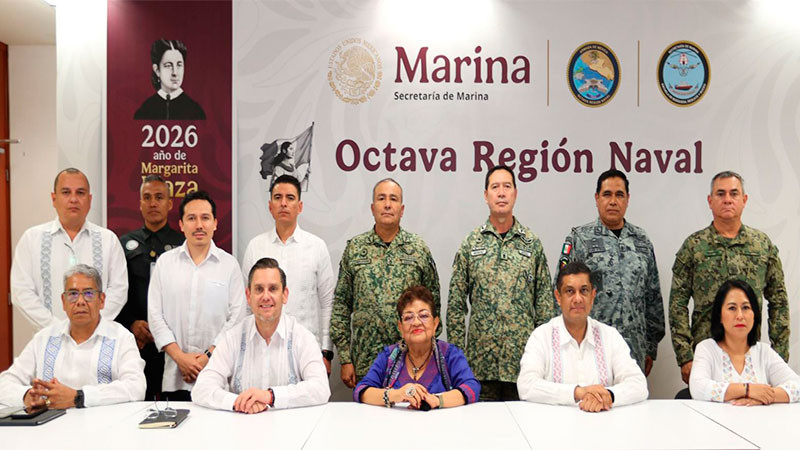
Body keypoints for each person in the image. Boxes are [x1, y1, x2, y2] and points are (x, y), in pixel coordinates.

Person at [670, 171, 790, 385]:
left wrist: (778, 356)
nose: (727, 199)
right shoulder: (694, 246)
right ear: (710, 201)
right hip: (706, 355)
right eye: (721, 194)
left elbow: (779, 301)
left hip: (749, 355)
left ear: (744, 200)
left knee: (751, 402)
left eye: (734, 194)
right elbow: (677, 304)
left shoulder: (762, 245)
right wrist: (685, 356)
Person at [447, 165, 554, 401]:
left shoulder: (531, 243)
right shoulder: (471, 243)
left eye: (507, 186)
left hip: (524, 367)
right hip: (480, 368)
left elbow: (545, 305)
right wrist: (457, 360)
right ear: (486, 195)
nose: (502, 193)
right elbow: (455, 306)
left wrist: (543, 357)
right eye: (495, 187)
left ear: (515, 193)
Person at [330, 178, 440, 388]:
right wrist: (345, 358)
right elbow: (341, 305)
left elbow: (433, 304)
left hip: (412, 362)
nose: (388, 204)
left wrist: (428, 357)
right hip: (366, 362)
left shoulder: (418, 249)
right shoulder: (355, 249)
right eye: (381, 199)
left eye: (393, 199)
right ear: (373, 208)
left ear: (402, 209)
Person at [556, 169, 664, 374]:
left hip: (634, 348)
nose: (613, 201)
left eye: (619, 195)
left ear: (628, 199)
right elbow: (561, 295)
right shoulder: (580, 239)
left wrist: (650, 347)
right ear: (597, 198)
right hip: (590, 348)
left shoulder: (641, 241)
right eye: (607, 194)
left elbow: (653, 298)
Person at [192, 258, 330, 412]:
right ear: (248, 295)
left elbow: (321, 388)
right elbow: (201, 389)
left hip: (290, 425)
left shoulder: (303, 338)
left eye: (273, 289)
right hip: (243, 423)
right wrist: (240, 402)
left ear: (284, 295)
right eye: (259, 289)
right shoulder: (232, 338)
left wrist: (270, 396)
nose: (265, 296)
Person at [0, 264, 145, 408]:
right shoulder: (43, 339)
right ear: (63, 302)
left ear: (101, 300)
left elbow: (136, 387)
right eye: (73, 294)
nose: (80, 302)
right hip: (52, 422)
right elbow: (4, 384)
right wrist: (28, 396)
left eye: (88, 294)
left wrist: (79, 397)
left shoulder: (121, 337)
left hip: (103, 421)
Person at [148, 191, 246, 401]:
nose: (199, 225)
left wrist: (207, 357)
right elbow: (155, 315)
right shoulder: (165, 264)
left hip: (218, 375)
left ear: (215, 223)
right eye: (191, 218)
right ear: (181, 224)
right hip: (175, 376)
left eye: (205, 218)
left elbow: (237, 319)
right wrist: (180, 358)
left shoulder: (229, 266)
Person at [517, 262, 648, 412]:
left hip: (603, 423)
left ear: (593, 295)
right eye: (570, 291)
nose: (578, 299)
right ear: (558, 297)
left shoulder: (610, 336)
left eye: (584, 290)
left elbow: (638, 384)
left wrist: (608, 396)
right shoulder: (541, 337)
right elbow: (526, 385)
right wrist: (578, 392)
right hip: (555, 424)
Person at [11, 168, 128, 329]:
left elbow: (119, 289)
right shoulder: (32, 239)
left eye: (80, 193)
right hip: (48, 338)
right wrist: (56, 328)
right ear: (54, 199)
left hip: (98, 336)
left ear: (89, 199)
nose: (73, 199)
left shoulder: (108, 240)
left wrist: (91, 326)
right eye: (66, 192)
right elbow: (21, 291)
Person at [241, 175, 335, 374]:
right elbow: (247, 305)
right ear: (270, 206)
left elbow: (328, 303)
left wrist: (326, 352)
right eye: (278, 197)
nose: (283, 203)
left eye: (290, 198)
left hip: (307, 351)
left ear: (300, 206)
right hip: (261, 350)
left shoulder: (316, 247)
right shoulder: (255, 247)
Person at [115, 175, 184, 400]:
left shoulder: (183, 244)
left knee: (175, 404)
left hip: (173, 343)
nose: (153, 203)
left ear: (170, 203)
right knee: (136, 402)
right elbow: (116, 291)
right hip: (136, 341)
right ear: (140, 203)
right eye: (147, 197)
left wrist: (164, 328)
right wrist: (131, 323)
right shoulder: (123, 244)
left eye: (159, 197)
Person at [354, 285, 480, 409]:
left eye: (424, 316)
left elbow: (472, 388)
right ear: (400, 327)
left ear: (435, 323)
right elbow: (361, 391)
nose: (416, 322)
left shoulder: (450, 355)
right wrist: (397, 395)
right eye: (408, 317)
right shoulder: (388, 356)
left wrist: (436, 400)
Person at [689, 280, 800, 404]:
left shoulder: (763, 352)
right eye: (732, 308)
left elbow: (797, 385)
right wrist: (747, 390)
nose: (740, 316)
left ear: (754, 315)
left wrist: (764, 397)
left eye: (746, 307)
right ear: (719, 315)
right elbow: (698, 388)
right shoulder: (706, 348)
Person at [134, 39, 205, 120]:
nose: (175, 73)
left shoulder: (195, 111)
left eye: (179, 65)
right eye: (168, 65)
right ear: (157, 70)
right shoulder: (145, 111)